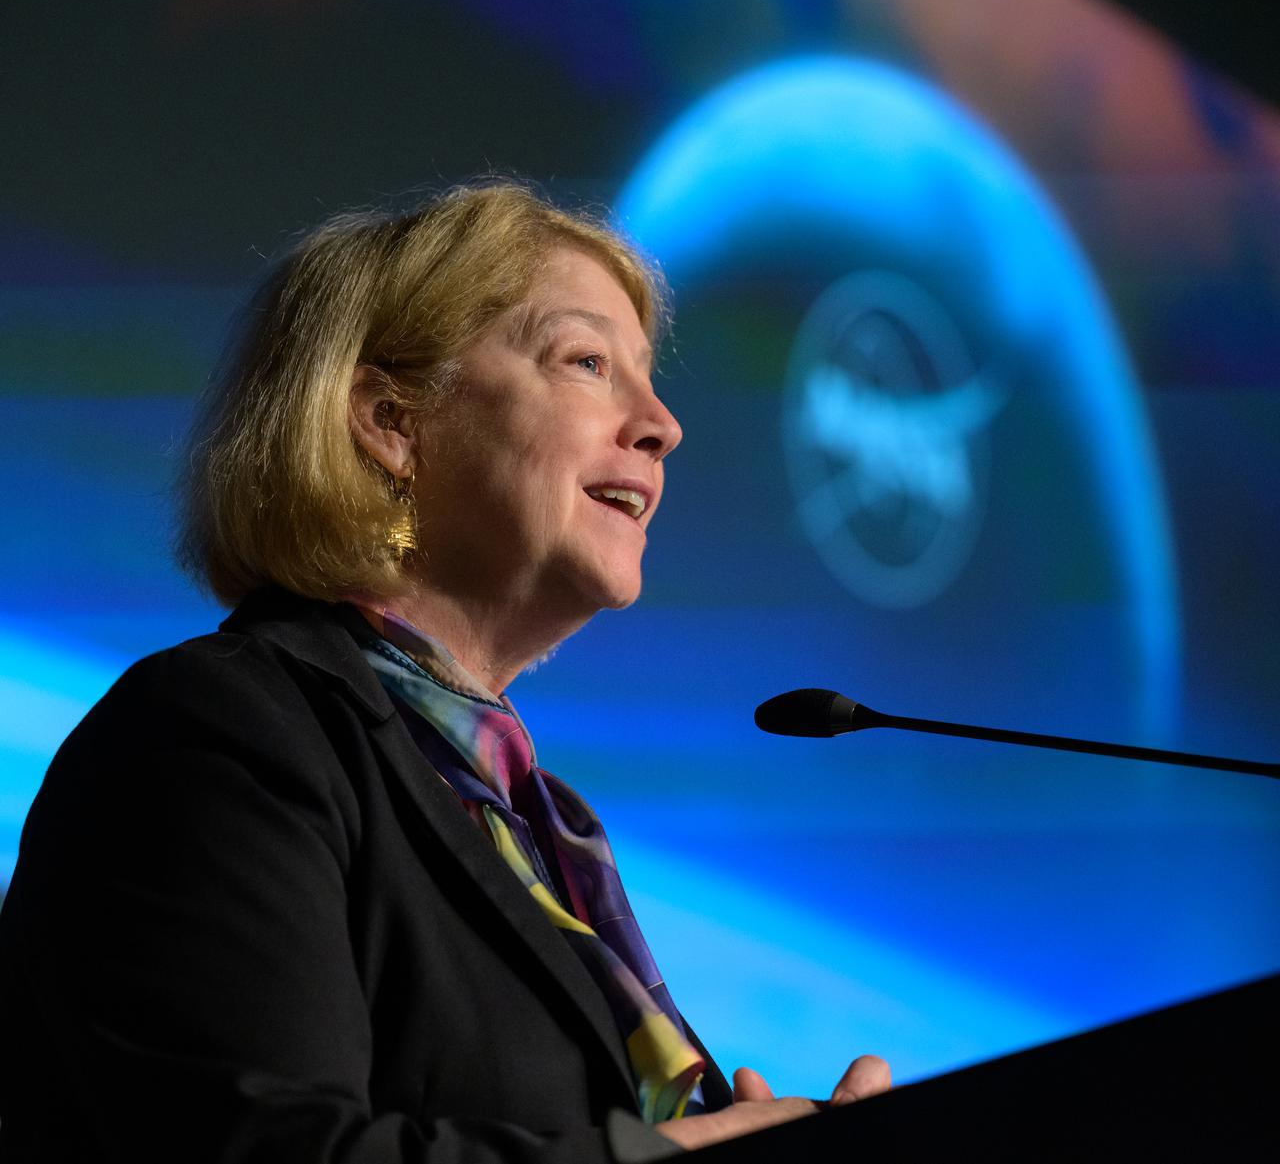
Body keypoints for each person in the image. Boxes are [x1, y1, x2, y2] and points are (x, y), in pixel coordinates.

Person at [0, 183, 889, 1162]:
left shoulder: (541, 826)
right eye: (587, 361)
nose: (661, 424)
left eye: (647, 376)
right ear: (391, 420)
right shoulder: (217, 733)